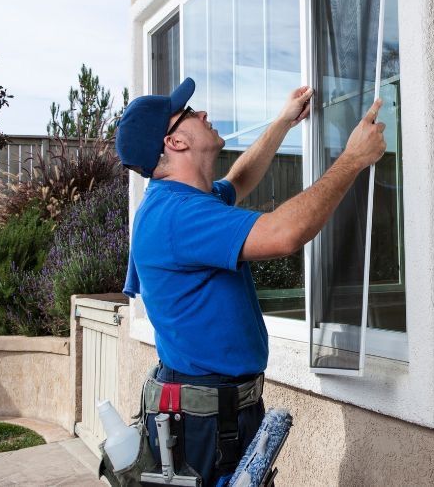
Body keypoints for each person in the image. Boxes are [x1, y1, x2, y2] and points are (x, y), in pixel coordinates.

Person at [114, 77, 385, 486]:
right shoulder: (177, 218)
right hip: (202, 424)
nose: (203, 113)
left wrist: (282, 122)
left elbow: (239, 180)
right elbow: (284, 235)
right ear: (176, 143)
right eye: (189, 114)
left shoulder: (188, 201)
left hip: (216, 411)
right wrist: (352, 159)